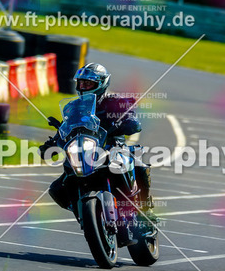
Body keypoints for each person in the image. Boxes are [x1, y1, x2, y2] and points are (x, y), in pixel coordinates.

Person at [40, 62, 159, 230]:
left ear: (102, 83)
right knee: (57, 188)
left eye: (88, 84)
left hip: (113, 146)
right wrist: (52, 143)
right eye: (81, 83)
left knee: (138, 165)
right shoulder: (73, 107)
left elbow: (131, 117)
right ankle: (84, 214)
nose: (83, 87)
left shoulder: (115, 102)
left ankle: (146, 211)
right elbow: (67, 127)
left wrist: (129, 122)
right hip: (84, 151)